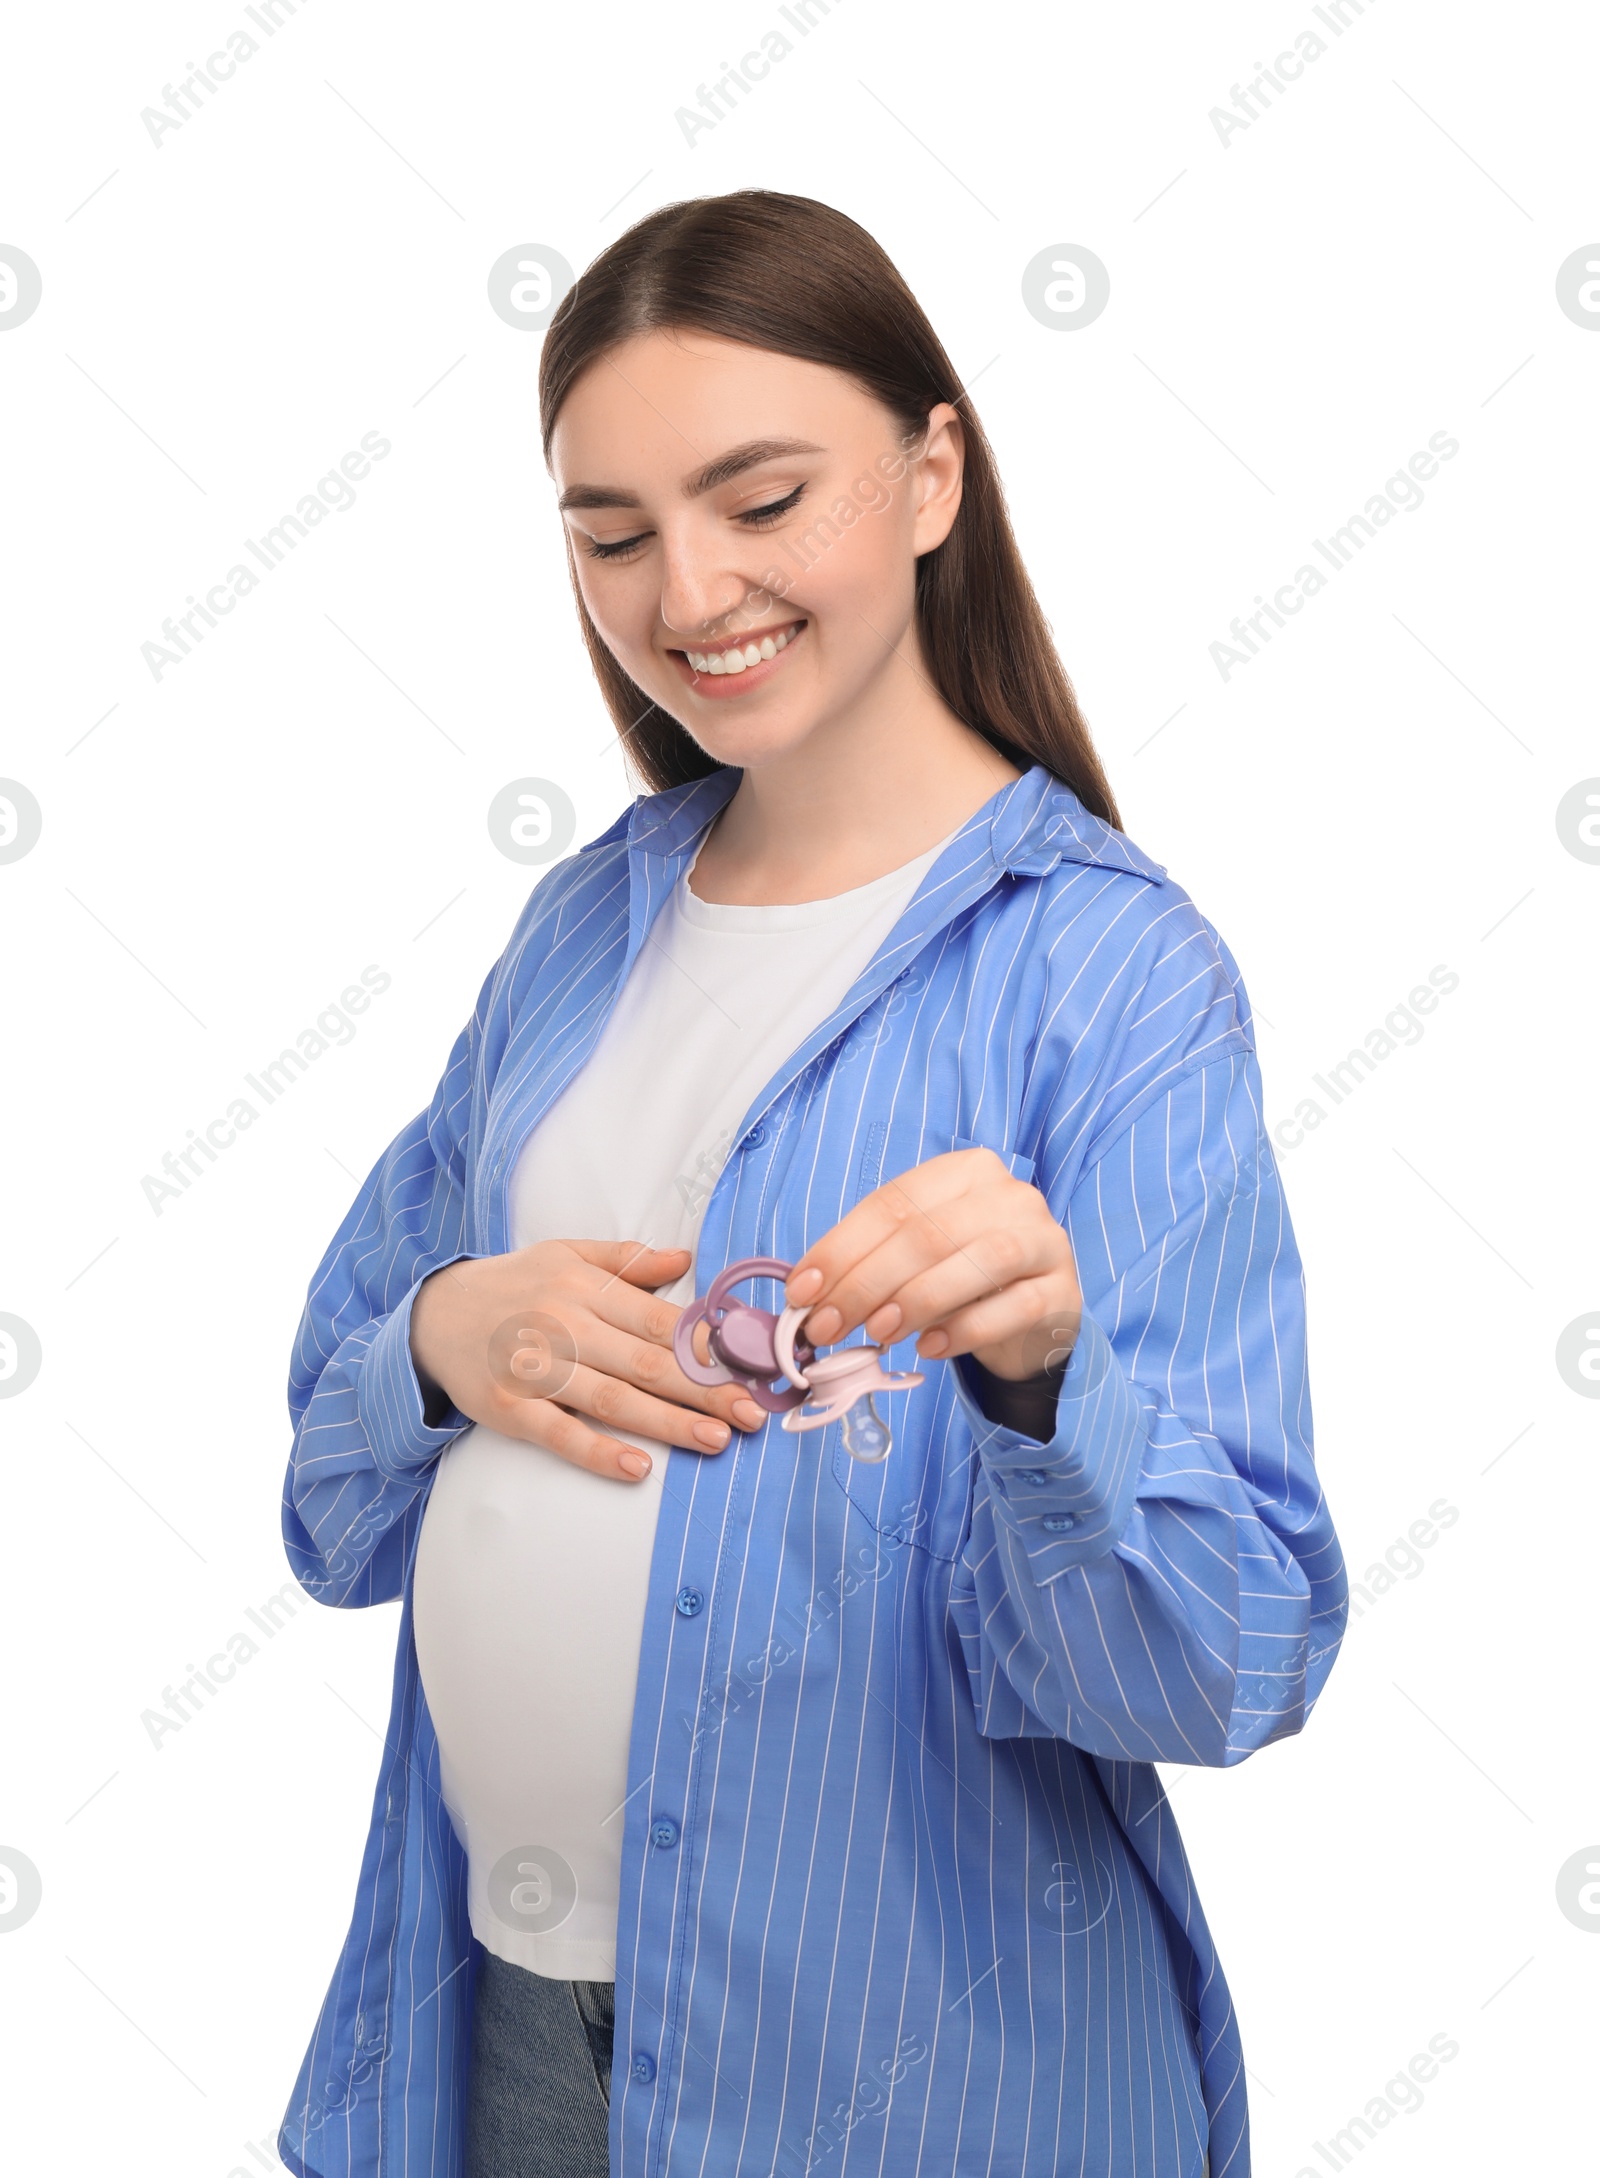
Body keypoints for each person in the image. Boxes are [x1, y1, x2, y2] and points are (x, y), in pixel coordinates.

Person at [276, 189, 1346, 2178]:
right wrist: (437, 1339)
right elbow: (326, 1512)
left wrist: (1042, 1386)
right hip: (498, 2044)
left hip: (908, 2096)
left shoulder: (1106, 979)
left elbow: (1230, 1659)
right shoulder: (572, 938)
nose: (686, 592)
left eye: (759, 498)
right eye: (608, 534)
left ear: (931, 473)